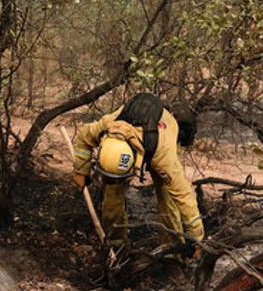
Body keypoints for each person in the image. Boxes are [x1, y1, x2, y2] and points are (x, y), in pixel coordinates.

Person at [70, 93, 204, 254]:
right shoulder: (108, 125)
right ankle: (116, 245)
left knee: (168, 197)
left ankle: (173, 251)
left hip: (161, 135)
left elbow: (184, 196)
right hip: (139, 139)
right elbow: (84, 137)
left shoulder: (163, 156)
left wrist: (197, 239)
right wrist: (80, 170)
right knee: (112, 196)